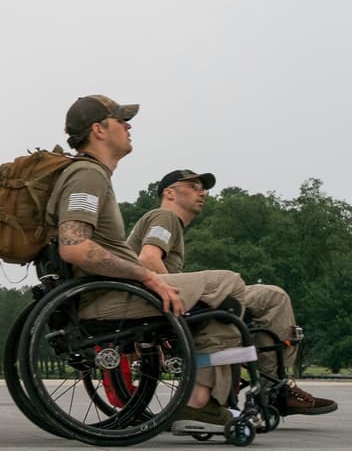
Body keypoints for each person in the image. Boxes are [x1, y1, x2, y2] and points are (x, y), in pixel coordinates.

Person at [49, 95, 249, 431]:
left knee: (225, 302)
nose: (128, 126)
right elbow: (74, 247)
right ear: (98, 129)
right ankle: (202, 402)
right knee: (228, 286)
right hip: (108, 299)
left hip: (109, 294)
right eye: (121, 120)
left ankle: (213, 387)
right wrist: (149, 277)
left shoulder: (92, 175)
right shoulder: (87, 175)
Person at [128, 169, 337, 416]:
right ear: (169, 192)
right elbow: (148, 258)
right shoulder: (165, 217)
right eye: (193, 186)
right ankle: (275, 390)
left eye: (203, 188)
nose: (202, 192)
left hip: (145, 298)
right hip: (158, 298)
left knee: (260, 298)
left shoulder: (169, 223)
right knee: (272, 298)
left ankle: (270, 386)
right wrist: (175, 296)